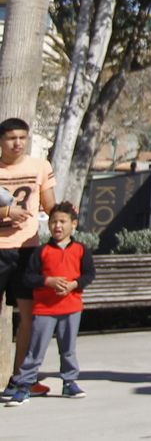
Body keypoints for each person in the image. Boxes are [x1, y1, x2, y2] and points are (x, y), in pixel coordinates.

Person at [3, 203, 94, 405]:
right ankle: (24, 385)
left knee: (68, 349)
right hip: (45, 309)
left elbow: (89, 274)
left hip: (71, 308)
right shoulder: (41, 251)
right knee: (36, 349)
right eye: (53, 222)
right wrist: (48, 281)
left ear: (73, 224)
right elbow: (28, 278)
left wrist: (74, 284)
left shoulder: (80, 250)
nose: (57, 226)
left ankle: (69, 382)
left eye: (62, 221)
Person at [0, 117, 55, 400]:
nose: (17, 143)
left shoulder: (39, 167)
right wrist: (7, 214)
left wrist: (64, 218)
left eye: (22, 137)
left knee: (29, 317)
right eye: (11, 138)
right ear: (1, 140)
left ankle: (22, 378)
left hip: (27, 250)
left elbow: (49, 203)